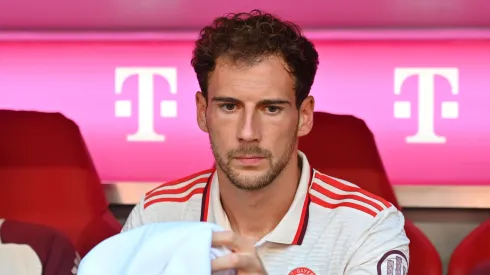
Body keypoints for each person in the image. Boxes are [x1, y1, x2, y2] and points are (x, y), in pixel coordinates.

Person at [123, 10, 409, 275]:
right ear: (202, 112)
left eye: (271, 109)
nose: (248, 133)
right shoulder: (156, 216)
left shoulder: (368, 225)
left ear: (304, 117)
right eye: (229, 107)